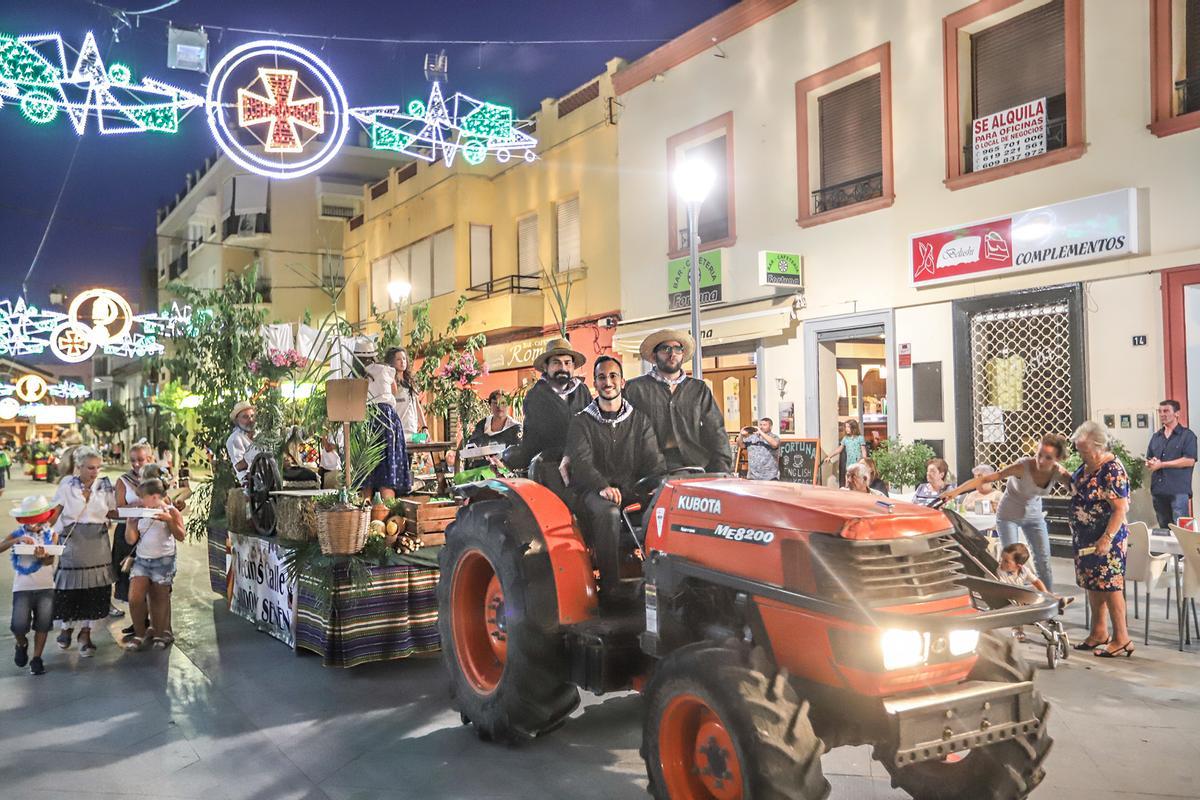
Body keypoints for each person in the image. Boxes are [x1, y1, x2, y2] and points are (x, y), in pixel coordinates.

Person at [566, 356, 665, 603]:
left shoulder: (639, 421)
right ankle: (611, 589)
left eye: (613, 376)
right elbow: (581, 462)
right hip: (591, 492)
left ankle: (660, 583)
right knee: (609, 512)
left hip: (631, 489)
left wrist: (661, 484)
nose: (607, 382)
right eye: (601, 377)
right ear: (595, 383)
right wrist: (602, 486)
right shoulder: (581, 421)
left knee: (666, 506)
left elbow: (654, 461)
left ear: (622, 382)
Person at [940, 434, 1070, 593]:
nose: (1041, 461)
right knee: (1010, 560)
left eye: (1048, 457)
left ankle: (1050, 600)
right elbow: (985, 479)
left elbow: (1078, 487)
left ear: (1057, 459)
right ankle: (1012, 597)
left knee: (1043, 560)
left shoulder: (1059, 472)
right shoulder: (1023, 466)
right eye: (1039, 454)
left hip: (1034, 516)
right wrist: (956, 491)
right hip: (1009, 515)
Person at [624, 329, 731, 473]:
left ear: (682, 354)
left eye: (677, 349)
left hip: (694, 462)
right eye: (665, 349)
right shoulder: (635, 388)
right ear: (654, 355)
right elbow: (624, 431)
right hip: (648, 464)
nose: (672, 354)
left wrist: (723, 467)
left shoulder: (698, 388)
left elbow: (715, 429)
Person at [1069, 420, 1134, 658]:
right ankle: (1099, 632)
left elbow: (1119, 509)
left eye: (1084, 450)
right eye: (1079, 449)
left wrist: (1106, 538)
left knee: (1111, 586)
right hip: (1085, 537)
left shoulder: (1111, 469)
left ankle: (1122, 638)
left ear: (1099, 447)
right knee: (1092, 585)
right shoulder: (1086, 466)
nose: (1081, 454)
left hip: (1108, 538)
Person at [50, 446, 117, 657]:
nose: (95, 472)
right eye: (90, 468)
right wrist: (39, 530)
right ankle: (66, 627)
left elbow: (114, 510)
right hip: (73, 541)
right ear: (78, 467)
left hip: (97, 542)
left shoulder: (105, 485)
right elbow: (55, 512)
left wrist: (144, 508)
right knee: (70, 589)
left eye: (98, 467)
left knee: (95, 590)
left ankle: (86, 633)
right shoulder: (66, 485)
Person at [504, 338, 591, 498]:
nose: (563, 368)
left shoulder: (582, 391)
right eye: (557, 363)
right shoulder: (536, 396)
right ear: (546, 366)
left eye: (567, 363)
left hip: (584, 465)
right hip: (551, 468)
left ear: (573, 366)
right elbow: (534, 440)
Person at [123, 478, 185, 651]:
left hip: (163, 560)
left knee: (159, 598)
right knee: (135, 597)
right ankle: (139, 633)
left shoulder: (171, 511)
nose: (140, 501)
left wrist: (168, 520)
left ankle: (159, 633)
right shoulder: (142, 511)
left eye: (143, 497)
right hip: (142, 559)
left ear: (155, 497)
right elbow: (131, 540)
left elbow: (181, 535)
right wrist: (131, 524)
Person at [3, 496, 59, 675]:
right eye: (31, 519)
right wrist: (16, 542)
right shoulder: (18, 533)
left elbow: (50, 561)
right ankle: (21, 643)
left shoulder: (52, 534)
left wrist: (43, 557)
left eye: (38, 519)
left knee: (42, 624)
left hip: (46, 586)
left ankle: (37, 658)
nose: (35, 523)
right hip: (22, 587)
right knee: (18, 625)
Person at [358, 339, 411, 500]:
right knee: (387, 468)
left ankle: (365, 513)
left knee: (367, 470)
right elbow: (394, 390)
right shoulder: (386, 370)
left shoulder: (357, 373)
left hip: (367, 418)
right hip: (387, 417)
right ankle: (389, 513)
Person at [111, 443, 154, 618]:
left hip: (152, 534)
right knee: (131, 580)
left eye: (141, 460)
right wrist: (136, 505)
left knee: (154, 581)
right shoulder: (123, 481)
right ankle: (138, 623)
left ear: (150, 459)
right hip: (127, 534)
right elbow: (118, 509)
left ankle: (152, 623)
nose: (136, 464)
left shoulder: (158, 479)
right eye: (133, 460)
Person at [1146, 399, 1197, 528]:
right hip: (1159, 490)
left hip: (1178, 490)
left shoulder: (1187, 436)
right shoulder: (1156, 437)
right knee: (1164, 529)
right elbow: (1150, 458)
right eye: (1160, 411)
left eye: (1166, 411)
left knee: (1180, 529)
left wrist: (1162, 464)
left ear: (1177, 414)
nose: (1162, 414)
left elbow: (1189, 460)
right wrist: (1150, 463)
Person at [996, 542, 1049, 642]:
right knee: (1016, 607)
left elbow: (1036, 581)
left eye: (1006, 561)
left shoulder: (1024, 570)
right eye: (1002, 559)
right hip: (1008, 596)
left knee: (1035, 590)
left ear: (1018, 566)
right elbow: (1003, 588)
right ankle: (1017, 630)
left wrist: (1045, 592)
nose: (1001, 563)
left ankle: (1051, 599)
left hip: (1021, 593)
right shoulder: (1000, 571)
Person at [389, 347, 428, 442]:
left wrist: (424, 427)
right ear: (392, 362)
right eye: (398, 359)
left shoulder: (410, 383)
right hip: (398, 432)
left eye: (404, 358)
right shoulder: (391, 383)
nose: (402, 362)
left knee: (424, 439)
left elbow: (417, 406)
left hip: (412, 431)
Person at [822, 420, 867, 484]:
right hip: (849, 464)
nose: (846, 429)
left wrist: (865, 462)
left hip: (858, 464)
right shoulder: (845, 439)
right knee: (848, 482)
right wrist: (829, 456)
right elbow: (839, 449)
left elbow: (863, 451)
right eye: (846, 427)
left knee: (857, 482)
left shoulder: (860, 438)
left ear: (853, 428)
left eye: (848, 427)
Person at [225, 401, 259, 485]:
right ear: (237, 420)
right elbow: (239, 466)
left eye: (252, 416)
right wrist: (256, 458)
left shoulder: (259, 434)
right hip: (249, 483)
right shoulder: (235, 439)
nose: (251, 420)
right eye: (245, 417)